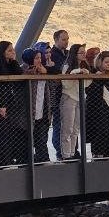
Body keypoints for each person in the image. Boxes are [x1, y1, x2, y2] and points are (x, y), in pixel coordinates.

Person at [85, 52, 109, 159]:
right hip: (97, 107)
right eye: (106, 62)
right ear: (100, 62)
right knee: (99, 130)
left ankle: (106, 152)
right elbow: (89, 90)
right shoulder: (94, 73)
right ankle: (97, 153)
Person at [22, 47, 53, 163]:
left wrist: (45, 72)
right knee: (27, 141)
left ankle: (43, 160)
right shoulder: (23, 70)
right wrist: (34, 71)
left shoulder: (44, 70)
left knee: (41, 140)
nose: (39, 60)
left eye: (40, 57)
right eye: (36, 58)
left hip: (42, 111)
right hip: (28, 113)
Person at [58, 43, 87, 160]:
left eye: (84, 52)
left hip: (80, 97)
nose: (84, 54)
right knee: (67, 128)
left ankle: (73, 152)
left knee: (76, 129)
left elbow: (87, 84)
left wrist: (85, 74)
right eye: (81, 52)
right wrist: (75, 74)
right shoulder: (67, 67)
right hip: (69, 97)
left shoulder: (85, 66)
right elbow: (65, 84)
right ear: (75, 54)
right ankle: (65, 154)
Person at [47, 29, 70, 158]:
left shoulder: (68, 54)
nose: (66, 42)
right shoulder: (52, 54)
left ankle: (69, 149)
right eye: (63, 39)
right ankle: (59, 150)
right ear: (56, 40)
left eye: (67, 39)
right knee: (58, 123)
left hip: (68, 92)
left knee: (69, 123)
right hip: (56, 93)